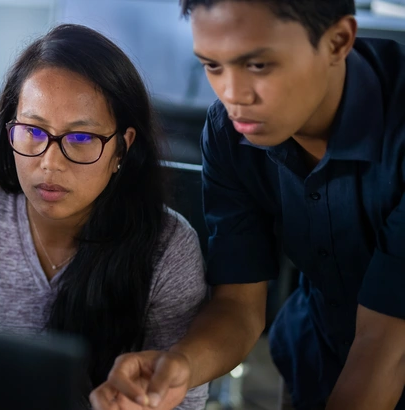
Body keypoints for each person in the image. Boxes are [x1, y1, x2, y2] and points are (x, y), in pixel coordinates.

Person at [91, 1, 405, 409]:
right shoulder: (228, 134)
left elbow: (386, 344)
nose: (232, 95)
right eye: (213, 65)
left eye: (257, 66)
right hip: (316, 356)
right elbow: (239, 303)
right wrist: (180, 365)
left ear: (337, 41)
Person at [0, 24, 209, 408]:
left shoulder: (167, 248)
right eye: (33, 132)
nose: (49, 163)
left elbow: (184, 401)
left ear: (123, 147)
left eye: (82, 138)